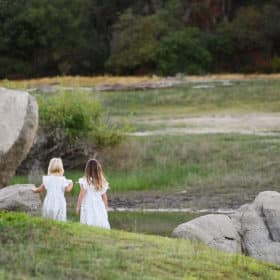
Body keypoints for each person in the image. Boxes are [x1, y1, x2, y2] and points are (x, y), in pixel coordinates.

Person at [76, 159, 110, 229]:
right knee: (99, 218)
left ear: (87, 170)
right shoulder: (101, 182)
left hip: (88, 204)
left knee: (89, 218)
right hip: (99, 204)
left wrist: (78, 206)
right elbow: (104, 197)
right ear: (98, 170)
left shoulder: (85, 181)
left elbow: (81, 194)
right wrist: (105, 208)